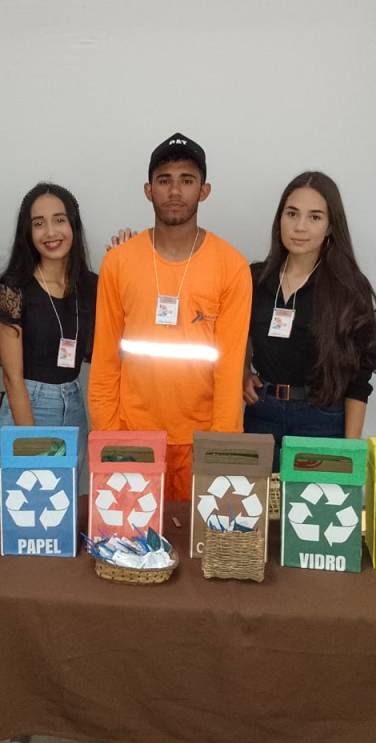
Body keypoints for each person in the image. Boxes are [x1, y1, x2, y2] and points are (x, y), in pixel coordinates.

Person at [89, 133, 252, 502]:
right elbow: (105, 360)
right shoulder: (118, 262)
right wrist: (110, 434)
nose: (175, 191)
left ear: (204, 191)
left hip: (200, 441)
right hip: (132, 438)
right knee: (131, 537)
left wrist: (220, 446)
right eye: (164, 180)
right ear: (148, 190)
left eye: (187, 180)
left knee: (197, 539)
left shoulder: (231, 266)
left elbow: (230, 369)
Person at [243, 171, 376, 469]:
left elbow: (360, 379)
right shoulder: (254, 279)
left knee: (313, 501)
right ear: (280, 218)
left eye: (315, 217)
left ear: (331, 226)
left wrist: (350, 451)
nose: (300, 227)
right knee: (255, 500)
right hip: (261, 415)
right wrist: (243, 372)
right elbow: (230, 333)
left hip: (321, 420)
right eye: (292, 214)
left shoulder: (348, 289)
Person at [0, 183, 98, 433]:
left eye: (59, 220)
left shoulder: (91, 285)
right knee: (34, 463)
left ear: (73, 225)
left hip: (74, 402)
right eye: (39, 223)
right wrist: (31, 442)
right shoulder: (13, 288)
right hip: (28, 404)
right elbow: (12, 378)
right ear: (28, 232)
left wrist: (122, 258)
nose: (51, 232)